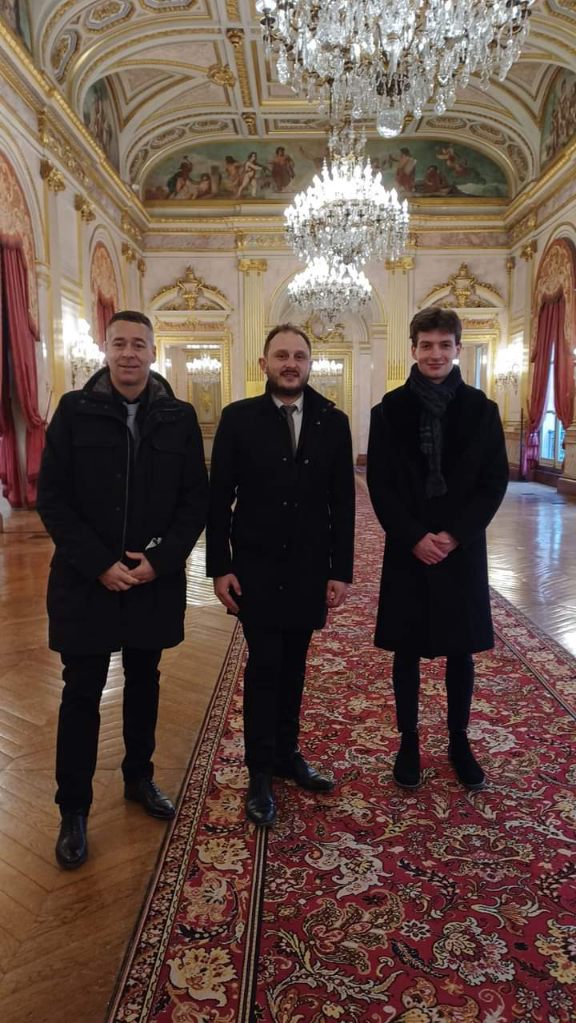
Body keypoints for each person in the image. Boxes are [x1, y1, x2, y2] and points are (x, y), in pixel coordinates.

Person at [37, 311, 208, 869]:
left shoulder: (179, 417)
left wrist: (159, 562)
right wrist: (99, 565)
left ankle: (139, 777)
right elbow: (54, 499)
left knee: (145, 682)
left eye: (139, 344)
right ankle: (75, 808)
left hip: (150, 582)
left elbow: (194, 501)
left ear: (154, 353)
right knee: (81, 692)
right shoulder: (73, 410)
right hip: (86, 582)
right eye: (119, 343)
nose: (129, 353)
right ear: (105, 350)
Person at [206, 324, 355, 826]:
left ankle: (288, 756)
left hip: (311, 569)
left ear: (311, 363)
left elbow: (344, 502)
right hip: (256, 569)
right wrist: (219, 567)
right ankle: (260, 771)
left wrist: (341, 570)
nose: (291, 363)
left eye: (300, 356)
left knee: (295, 666)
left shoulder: (333, 421)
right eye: (281, 356)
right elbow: (218, 499)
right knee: (265, 666)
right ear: (264, 363)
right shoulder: (238, 418)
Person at [367, 306, 508, 792]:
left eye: (444, 345)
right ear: (413, 349)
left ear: (457, 349)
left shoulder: (482, 410)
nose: (434, 353)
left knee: (460, 651)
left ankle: (458, 740)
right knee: (405, 652)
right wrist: (413, 537)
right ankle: (409, 741)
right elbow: (380, 485)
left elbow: (493, 482)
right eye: (426, 345)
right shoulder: (387, 411)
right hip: (409, 549)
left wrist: (454, 535)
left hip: (460, 549)